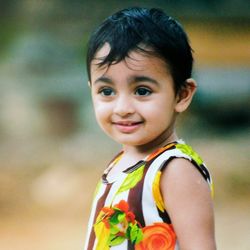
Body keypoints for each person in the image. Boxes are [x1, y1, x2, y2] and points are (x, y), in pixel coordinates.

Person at [84, 7, 216, 250]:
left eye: (142, 91)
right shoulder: (120, 164)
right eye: (107, 91)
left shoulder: (175, 170)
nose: (122, 108)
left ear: (182, 94)